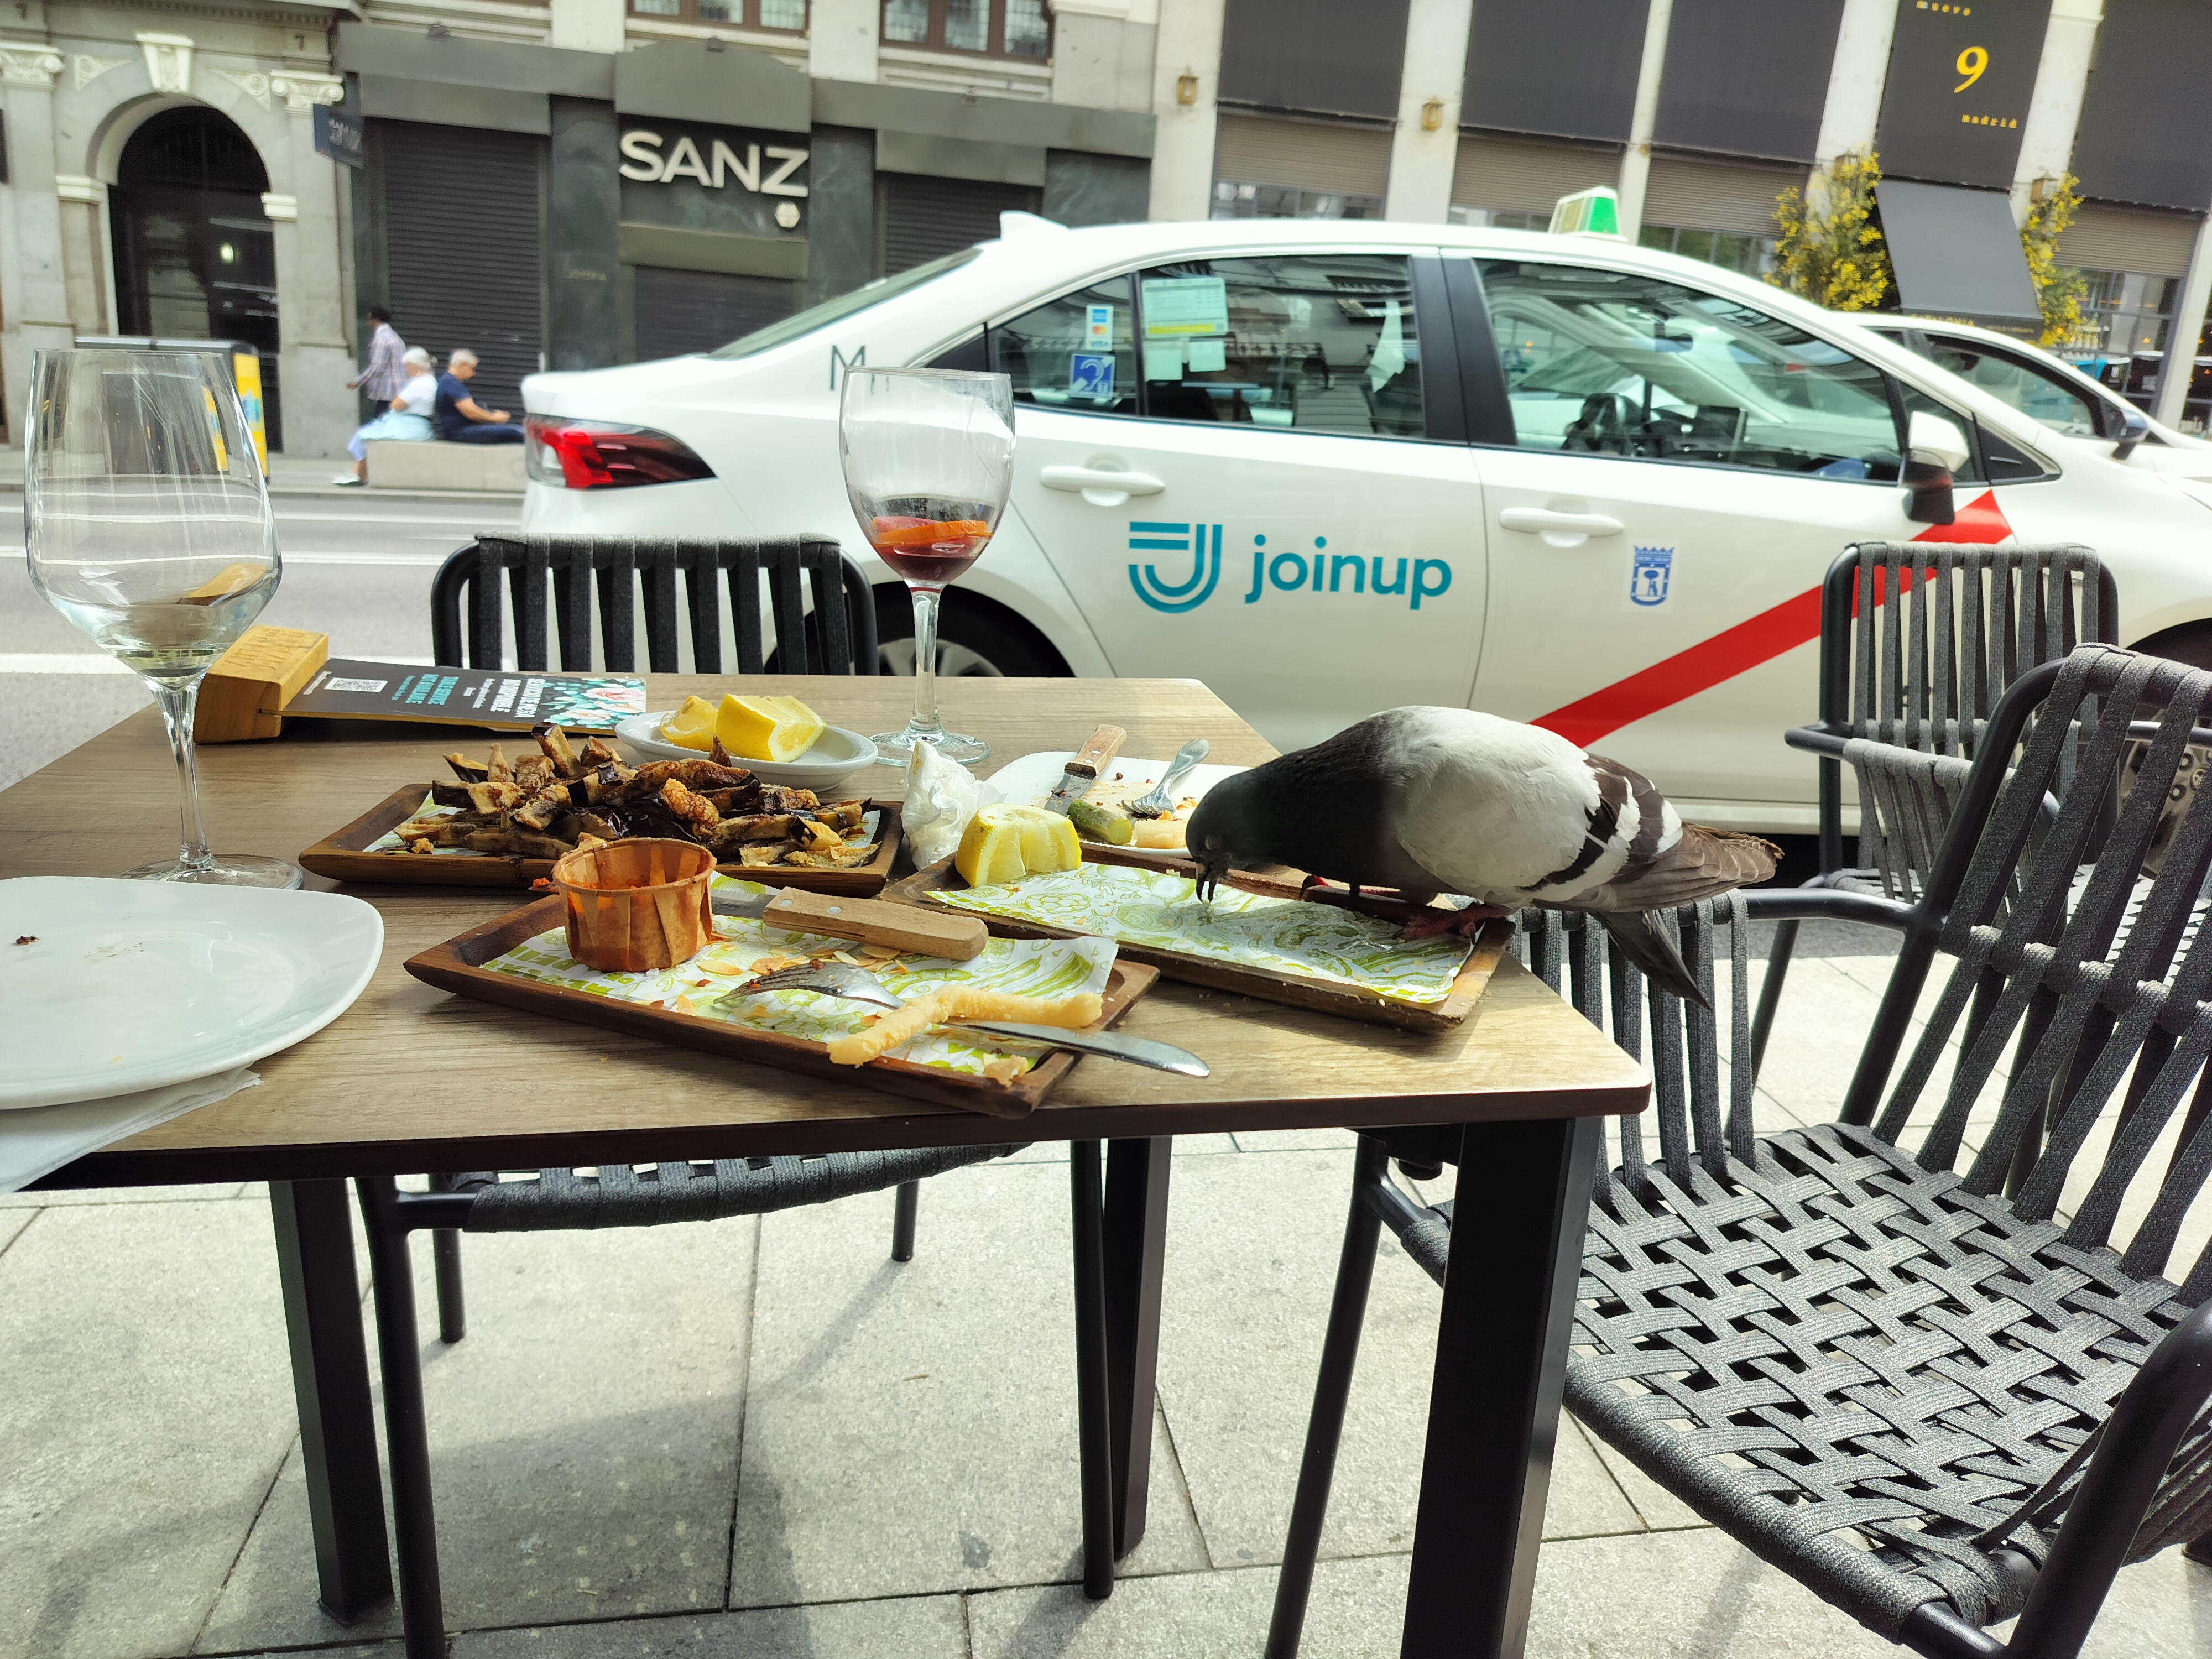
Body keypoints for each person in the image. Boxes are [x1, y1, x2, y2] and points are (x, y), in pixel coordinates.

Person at [332, 347, 439, 486]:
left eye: (407, 366)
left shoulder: (420, 384)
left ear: (415, 366)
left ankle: (359, 473)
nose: (406, 369)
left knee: (366, 435)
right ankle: (357, 472)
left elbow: (396, 405)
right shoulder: (430, 381)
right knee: (367, 433)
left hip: (408, 427)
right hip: (414, 425)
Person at [435, 349, 524, 444]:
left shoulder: (447, 381)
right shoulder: (451, 383)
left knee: (516, 430)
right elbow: (471, 412)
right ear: (463, 365)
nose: (474, 373)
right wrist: (494, 417)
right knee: (517, 432)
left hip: (462, 430)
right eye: (472, 368)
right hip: (461, 431)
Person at [347, 306, 406, 405]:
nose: (369, 322)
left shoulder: (381, 339)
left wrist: (358, 382)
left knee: (383, 414)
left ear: (376, 319)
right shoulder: (395, 337)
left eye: (370, 319)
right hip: (399, 390)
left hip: (387, 392)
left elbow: (377, 366)